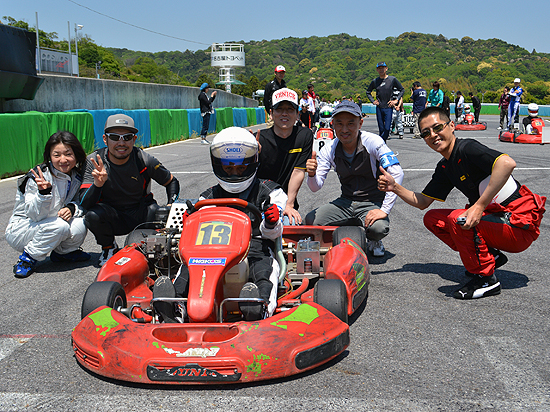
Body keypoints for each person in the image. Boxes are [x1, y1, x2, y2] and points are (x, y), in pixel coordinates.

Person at [377, 107, 546, 300]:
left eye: (437, 127)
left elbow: (507, 163)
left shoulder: (467, 148)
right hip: (497, 222)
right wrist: (394, 187)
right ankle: (490, 256)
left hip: (518, 226)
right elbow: (423, 202)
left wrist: (480, 205)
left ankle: (486, 279)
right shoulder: (445, 166)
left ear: (451, 126)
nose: (433, 135)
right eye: (426, 133)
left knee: (458, 219)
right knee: (432, 219)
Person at [170, 127, 287, 321]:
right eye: (228, 168)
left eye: (241, 168)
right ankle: (174, 306)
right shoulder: (206, 198)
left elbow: (273, 236)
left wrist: (271, 223)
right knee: (188, 265)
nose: (234, 173)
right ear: (218, 165)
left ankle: (259, 306)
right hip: (211, 250)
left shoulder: (271, 193)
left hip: (255, 247)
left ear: (252, 164)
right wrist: (190, 224)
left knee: (265, 268)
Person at [305, 100, 404, 257]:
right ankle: (352, 227)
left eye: (351, 123)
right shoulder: (329, 149)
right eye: (339, 123)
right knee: (311, 220)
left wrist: (383, 210)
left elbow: (397, 172)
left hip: (372, 202)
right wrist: (311, 174)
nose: (345, 129)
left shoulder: (373, 142)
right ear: (333, 124)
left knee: (378, 228)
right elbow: (315, 187)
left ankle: (373, 239)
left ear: (360, 123)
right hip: (346, 201)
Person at [79, 114, 180, 266]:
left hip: (141, 212)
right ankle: (109, 248)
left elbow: (171, 181)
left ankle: (150, 248)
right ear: (105, 139)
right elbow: (84, 203)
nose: (121, 142)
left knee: (159, 212)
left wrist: (171, 205)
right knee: (92, 215)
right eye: (114, 137)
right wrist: (98, 184)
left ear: (134, 139)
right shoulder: (94, 161)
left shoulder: (144, 160)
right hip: (112, 216)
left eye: (127, 137)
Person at [6, 132, 90, 278]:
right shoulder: (38, 176)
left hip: (50, 225)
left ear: (76, 155)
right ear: (49, 156)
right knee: (60, 225)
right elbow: (34, 215)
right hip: (23, 229)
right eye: (56, 155)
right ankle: (27, 259)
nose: (63, 160)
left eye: (68, 154)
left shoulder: (76, 176)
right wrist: (43, 194)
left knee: (81, 223)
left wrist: (72, 208)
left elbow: (81, 202)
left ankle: (63, 254)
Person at [257, 88, 313, 225]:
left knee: (290, 225)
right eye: (279, 109)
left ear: (297, 114)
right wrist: (252, 157)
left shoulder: (304, 136)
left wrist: (289, 205)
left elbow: (298, 171)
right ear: (271, 113)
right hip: (258, 202)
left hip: (284, 203)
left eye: (290, 109)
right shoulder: (259, 139)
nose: (284, 114)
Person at [366, 62, 405, 142]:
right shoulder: (375, 81)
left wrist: (396, 100)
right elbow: (368, 92)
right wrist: (373, 101)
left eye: (383, 68)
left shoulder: (392, 79)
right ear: (377, 70)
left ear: (386, 68)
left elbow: (402, 90)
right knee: (381, 129)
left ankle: (380, 144)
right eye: (379, 68)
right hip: (379, 107)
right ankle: (382, 147)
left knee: (387, 129)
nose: (381, 70)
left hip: (388, 107)